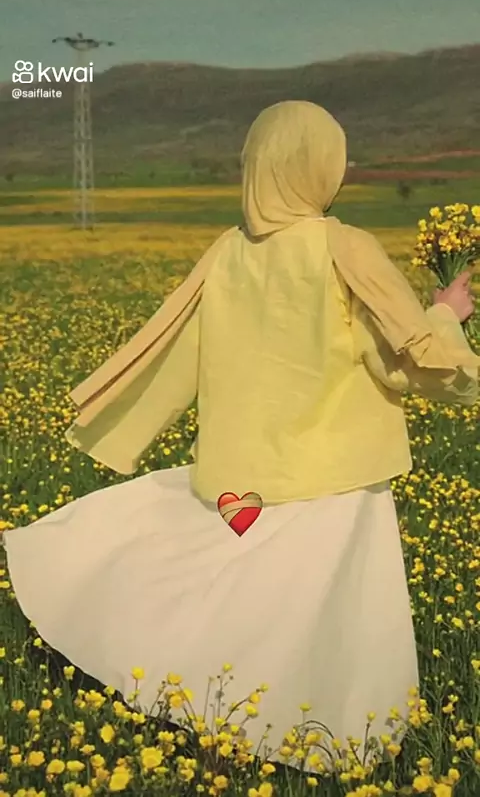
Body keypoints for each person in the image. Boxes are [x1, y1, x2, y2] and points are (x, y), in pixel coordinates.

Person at [4, 101, 479, 763]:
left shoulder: (227, 252)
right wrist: (447, 314)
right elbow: (401, 361)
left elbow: (176, 350)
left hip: (247, 468)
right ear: (321, 165)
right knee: (322, 615)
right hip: (337, 469)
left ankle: (200, 695)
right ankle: (336, 739)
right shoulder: (344, 246)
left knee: (243, 594)